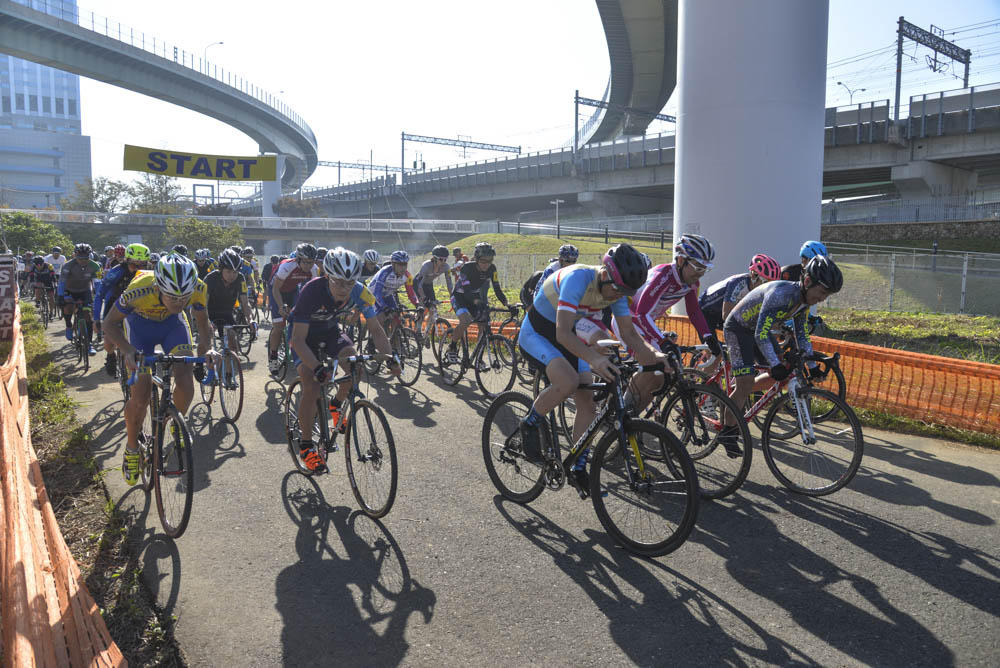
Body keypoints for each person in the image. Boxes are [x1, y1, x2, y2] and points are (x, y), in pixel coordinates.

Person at [518, 243, 664, 490]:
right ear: (606, 274)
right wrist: (595, 358)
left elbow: (629, 333)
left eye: (626, 292)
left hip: (569, 335)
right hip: (539, 333)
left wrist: (656, 356)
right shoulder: (577, 278)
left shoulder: (616, 290)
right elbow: (563, 333)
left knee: (588, 403)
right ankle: (530, 422)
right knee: (568, 381)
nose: (619, 296)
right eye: (618, 289)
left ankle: (578, 465)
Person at [103, 253, 216, 485]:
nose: (179, 303)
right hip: (139, 327)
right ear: (158, 287)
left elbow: (203, 323)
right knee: (141, 396)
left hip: (172, 327)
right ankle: (132, 449)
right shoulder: (141, 288)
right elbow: (109, 323)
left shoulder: (199, 288)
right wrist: (126, 350)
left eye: (184, 298)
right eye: (172, 297)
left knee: (185, 378)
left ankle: (175, 422)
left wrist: (208, 352)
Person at [720, 255, 844, 457]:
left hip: (758, 330)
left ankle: (735, 393)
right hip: (738, 328)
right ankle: (728, 431)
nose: (823, 298)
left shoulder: (803, 302)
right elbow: (761, 333)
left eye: (827, 295)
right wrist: (775, 362)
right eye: (822, 292)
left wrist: (813, 367)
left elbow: (802, 335)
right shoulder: (782, 295)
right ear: (807, 281)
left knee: (781, 371)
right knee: (747, 381)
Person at [289, 248, 400, 472]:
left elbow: (377, 331)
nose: (344, 289)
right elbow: (298, 340)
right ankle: (307, 446)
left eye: (349, 283)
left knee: (354, 365)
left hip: (330, 331)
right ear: (327, 276)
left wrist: (391, 357)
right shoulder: (311, 291)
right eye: (338, 282)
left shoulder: (361, 292)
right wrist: (317, 367)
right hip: (304, 337)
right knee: (311, 383)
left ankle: (336, 404)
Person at [620, 234, 721, 411]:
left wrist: (708, 337)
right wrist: (663, 341)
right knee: (651, 365)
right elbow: (642, 313)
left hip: (644, 323)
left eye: (705, 268)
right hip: (629, 321)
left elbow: (694, 311)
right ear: (681, 260)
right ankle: (621, 410)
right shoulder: (664, 276)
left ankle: (632, 419)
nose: (701, 273)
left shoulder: (691, 282)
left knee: (660, 378)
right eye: (697, 266)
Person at [446, 242, 512, 363]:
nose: (486, 265)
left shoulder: (492, 269)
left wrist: (507, 304)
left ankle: (478, 357)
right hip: (459, 296)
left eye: (489, 261)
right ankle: (452, 347)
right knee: (465, 321)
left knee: (483, 324)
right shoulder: (467, 268)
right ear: (476, 259)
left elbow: (497, 289)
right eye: (483, 261)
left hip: (474, 297)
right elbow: (466, 290)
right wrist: (477, 301)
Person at [99, 243, 150, 376]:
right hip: (116, 306)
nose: (138, 269)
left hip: (138, 308)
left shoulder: (151, 273)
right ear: (126, 261)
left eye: (142, 265)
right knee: (110, 340)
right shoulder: (116, 272)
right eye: (134, 265)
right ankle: (110, 356)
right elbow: (100, 295)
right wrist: (96, 319)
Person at [268, 243, 320, 373]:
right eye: (306, 262)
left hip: (293, 291)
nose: (309, 266)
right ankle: (273, 357)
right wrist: (280, 306)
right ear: (298, 259)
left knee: (300, 318)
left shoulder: (314, 269)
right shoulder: (287, 266)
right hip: (276, 290)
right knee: (279, 325)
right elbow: (276, 289)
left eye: (311, 262)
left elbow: (312, 290)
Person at [699, 253, 782, 333]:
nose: (769, 287)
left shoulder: (762, 291)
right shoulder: (738, 283)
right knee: (714, 345)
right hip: (705, 311)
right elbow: (726, 315)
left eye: (772, 284)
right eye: (765, 282)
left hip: (723, 313)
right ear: (754, 276)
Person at [205, 249, 254, 356]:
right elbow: (203, 304)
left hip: (227, 313)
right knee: (206, 341)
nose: (232, 275)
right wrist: (206, 322)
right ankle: (200, 365)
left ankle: (228, 372)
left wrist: (250, 320)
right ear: (221, 269)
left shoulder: (240, 278)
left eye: (235, 272)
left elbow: (245, 304)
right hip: (209, 313)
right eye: (228, 271)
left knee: (233, 341)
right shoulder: (211, 278)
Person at [57, 243, 102, 354]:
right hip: (69, 290)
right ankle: (68, 325)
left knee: (88, 316)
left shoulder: (95, 266)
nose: (83, 260)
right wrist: (60, 296)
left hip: (85, 291)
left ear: (89, 256)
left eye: (85, 258)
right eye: (80, 258)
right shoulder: (67, 266)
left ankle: (89, 343)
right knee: (68, 308)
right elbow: (61, 282)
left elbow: (98, 284)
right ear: (75, 256)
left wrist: (99, 296)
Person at [368, 250, 420, 336]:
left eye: (405, 265)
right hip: (373, 294)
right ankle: (374, 340)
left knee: (397, 318)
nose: (403, 268)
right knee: (381, 317)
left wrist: (417, 305)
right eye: (400, 265)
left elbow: (411, 294)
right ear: (393, 264)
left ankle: (394, 341)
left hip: (387, 295)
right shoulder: (385, 272)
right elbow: (377, 293)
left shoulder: (408, 276)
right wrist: (384, 307)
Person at [412, 245, 453, 345]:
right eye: (441, 259)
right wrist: (423, 298)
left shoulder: (446, 267)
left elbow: (449, 283)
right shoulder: (426, 266)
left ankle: (426, 334)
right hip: (418, 284)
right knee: (423, 307)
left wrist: (452, 296)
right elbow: (419, 285)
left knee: (433, 309)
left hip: (429, 285)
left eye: (445, 259)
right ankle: (418, 331)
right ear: (434, 258)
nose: (443, 262)